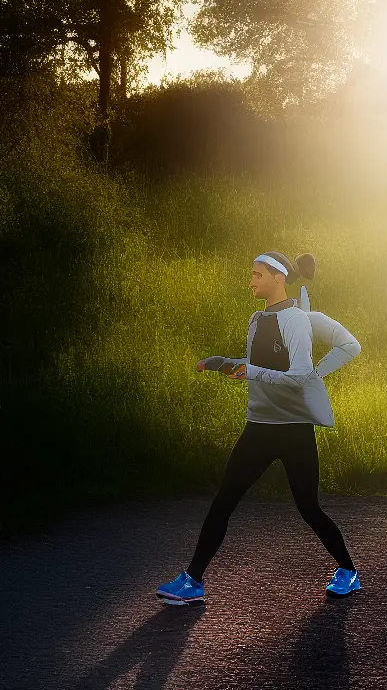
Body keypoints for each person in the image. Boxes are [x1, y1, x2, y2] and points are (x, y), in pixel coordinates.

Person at [156, 251, 363, 604]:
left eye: (257, 274)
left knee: (309, 508)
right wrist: (226, 363)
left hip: (294, 429)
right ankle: (192, 580)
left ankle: (348, 570)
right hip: (259, 427)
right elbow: (256, 366)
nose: (251, 281)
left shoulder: (297, 320)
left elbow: (298, 377)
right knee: (223, 501)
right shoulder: (256, 320)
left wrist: (255, 372)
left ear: (277, 278)